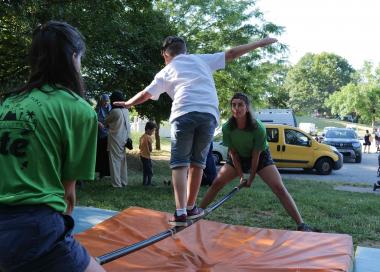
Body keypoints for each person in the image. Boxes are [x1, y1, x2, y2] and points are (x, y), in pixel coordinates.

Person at [0, 21, 131, 272]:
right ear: (74, 57)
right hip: (32, 234)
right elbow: (68, 194)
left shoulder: (5, 105)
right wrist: (52, 255)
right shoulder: (78, 109)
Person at [114, 35, 277, 226]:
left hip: (184, 113)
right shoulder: (200, 59)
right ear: (186, 51)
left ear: (165, 54)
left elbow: (146, 94)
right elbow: (231, 53)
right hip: (208, 115)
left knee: (180, 163)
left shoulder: (166, 70)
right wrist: (260, 43)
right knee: (197, 163)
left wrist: (127, 103)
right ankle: (191, 207)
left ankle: (180, 212)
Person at [198, 93, 315, 232]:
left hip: (260, 157)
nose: (236, 108)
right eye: (233, 105)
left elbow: (256, 155)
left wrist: (251, 177)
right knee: (217, 183)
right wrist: (241, 175)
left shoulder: (258, 128)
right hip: (238, 157)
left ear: (247, 107)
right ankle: (197, 212)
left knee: (279, 187)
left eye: (240, 104)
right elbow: (233, 153)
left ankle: (301, 224)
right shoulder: (227, 127)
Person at [105, 91, 131, 188]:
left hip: (116, 138)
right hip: (125, 138)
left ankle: (116, 184)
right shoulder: (126, 110)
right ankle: (124, 181)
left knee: (114, 161)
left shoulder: (114, 112)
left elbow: (106, 121)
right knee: (123, 161)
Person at [95, 94, 111, 179]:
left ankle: (105, 173)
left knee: (106, 155)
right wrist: (98, 123)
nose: (106, 103)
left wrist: (110, 124)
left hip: (108, 135)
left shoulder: (111, 109)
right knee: (99, 154)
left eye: (107, 101)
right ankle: (99, 172)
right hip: (99, 135)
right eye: (104, 101)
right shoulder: (97, 109)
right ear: (101, 101)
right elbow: (93, 118)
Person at [139, 121, 157, 186]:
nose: (153, 133)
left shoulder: (142, 137)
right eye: (152, 131)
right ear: (148, 130)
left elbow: (139, 147)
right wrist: (149, 149)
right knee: (149, 170)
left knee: (145, 170)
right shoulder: (149, 137)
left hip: (142, 156)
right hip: (146, 156)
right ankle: (149, 183)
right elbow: (150, 149)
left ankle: (144, 182)